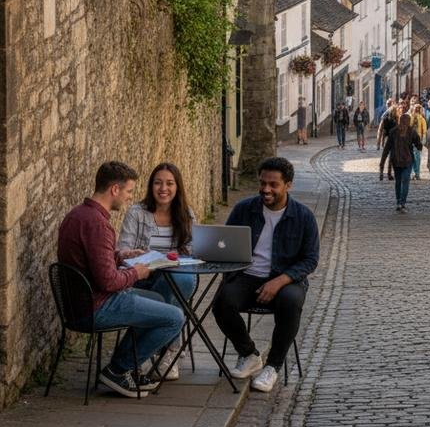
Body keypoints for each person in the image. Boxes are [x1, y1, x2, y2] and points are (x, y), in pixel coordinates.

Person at [57, 161, 185, 398]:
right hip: (96, 306)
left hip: (81, 302)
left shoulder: (78, 214)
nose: (129, 198)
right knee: (174, 317)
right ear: (114, 189)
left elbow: (93, 259)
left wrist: (120, 255)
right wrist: (137, 272)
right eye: (128, 191)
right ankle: (118, 369)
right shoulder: (98, 224)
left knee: (157, 299)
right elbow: (109, 282)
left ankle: (127, 366)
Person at [213, 157, 320, 393]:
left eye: (273, 184)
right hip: (246, 275)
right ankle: (249, 353)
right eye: (262, 183)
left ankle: (273, 366)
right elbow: (225, 243)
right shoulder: (244, 209)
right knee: (221, 302)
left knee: (291, 301)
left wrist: (280, 281)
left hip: (286, 279)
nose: (266, 189)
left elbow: (310, 259)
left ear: (288, 185)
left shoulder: (303, 217)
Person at [118, 162, 196, 380]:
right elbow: (121, 249)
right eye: (158, 183)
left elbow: (192, 252)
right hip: (141, 278)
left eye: (170, 183)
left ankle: (166, 353)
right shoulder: (136, 213)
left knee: (183, 280)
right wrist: (131, 253)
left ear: (177, 187)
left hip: (172, 276)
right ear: (151, 186)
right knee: (173, 289)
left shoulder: (186, 215)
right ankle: (158, 350)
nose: (164, 188)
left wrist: (174, 258)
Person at [380, 113, 422, 212]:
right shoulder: (412, 131)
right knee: (405, 181)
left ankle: (399, 202)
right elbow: (419, 145)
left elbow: (387, 148)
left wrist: (382, 162)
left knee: (398, 182)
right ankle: (402, 203)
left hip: (396, 160)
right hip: (407, 161)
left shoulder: (393, 131)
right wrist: (418, 146)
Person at [409, 102, 427, 180]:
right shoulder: (410, 117)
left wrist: (423, 139)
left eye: (418, 109)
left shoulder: (422, 119)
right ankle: (412, 172)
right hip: (410, 140)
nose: (417, 110)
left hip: (418, 140)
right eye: (416, 108)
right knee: (411, 156)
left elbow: (424, 130)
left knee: (417, 157)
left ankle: (417, 173)